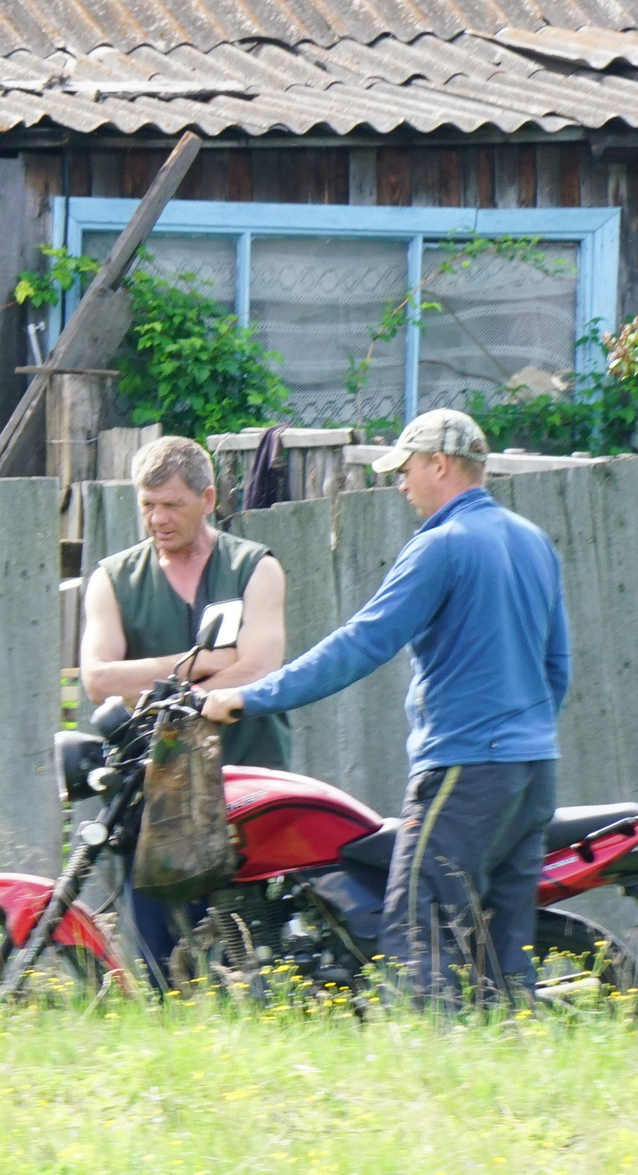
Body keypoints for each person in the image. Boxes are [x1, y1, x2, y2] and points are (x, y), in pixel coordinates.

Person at [203, 409, 569, 1002]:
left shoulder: (440, 547)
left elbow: (360, 645)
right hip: (534, 772)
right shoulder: (534, 542)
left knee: (415, 929)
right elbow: (558, 668)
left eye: (406, 469)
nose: (400, 483)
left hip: (464, 771)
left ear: (440, 465)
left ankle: (428, 1078)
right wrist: (523, 734)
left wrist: (247, 696)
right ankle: (511, 1070)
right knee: (506, 955)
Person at [81, 434, 288, 981]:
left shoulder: (255, 568)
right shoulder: (113, 578)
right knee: (159, 963)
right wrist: (199, 665)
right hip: (154, 800)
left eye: (171, 504)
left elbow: (262, 668)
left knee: (255, 957)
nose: (157, 518)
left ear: (208, 498)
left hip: (247, 790)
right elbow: (98, 678)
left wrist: (153, 684)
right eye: (147, 505)